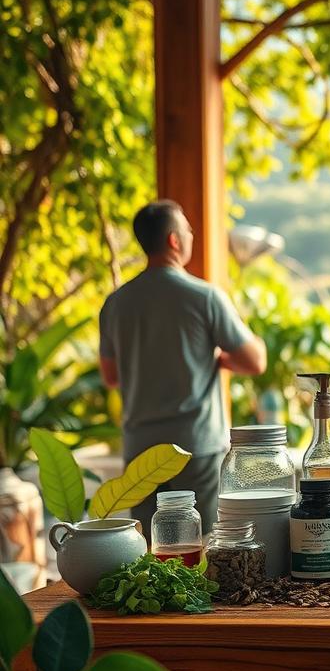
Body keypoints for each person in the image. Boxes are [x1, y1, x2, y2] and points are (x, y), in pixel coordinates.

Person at [99, 200, 267, 533]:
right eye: (188, 230)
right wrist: (219, 358)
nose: (192, 235)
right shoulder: (204, 297)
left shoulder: (115, 303)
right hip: (196, 448)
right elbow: (255, 361)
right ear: (174, 240)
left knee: (149, 547)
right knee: (204, 543)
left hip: (140, 449)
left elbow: (111, 376)